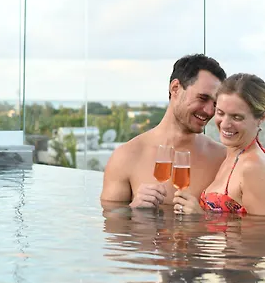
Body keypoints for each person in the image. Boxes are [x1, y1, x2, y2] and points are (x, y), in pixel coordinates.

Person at [100, 54, 227, 209]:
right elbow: (111, 218)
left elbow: (240, 220)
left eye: (215, 104)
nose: (209, 111)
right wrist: (133, 210)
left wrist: (201, 218)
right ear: (175, 88)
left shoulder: (222, 159)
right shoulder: (126, 157)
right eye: (202, 98)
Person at [174, 73, 265, 215]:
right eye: (220, 113)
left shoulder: (252, 167)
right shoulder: (231, 156)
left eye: (237, 117)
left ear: (261, 118)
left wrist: (200, 218)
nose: (225, 124)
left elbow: (259, 228)